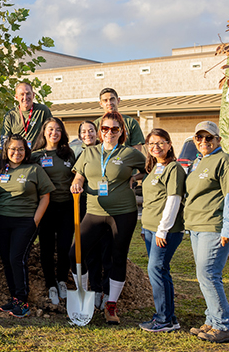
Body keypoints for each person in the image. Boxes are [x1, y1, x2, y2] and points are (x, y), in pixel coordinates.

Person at [70, 111, 146, 324]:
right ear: (100, 131)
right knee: (74, 253)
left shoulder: (130, 153)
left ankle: (110, 305)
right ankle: (85, 295)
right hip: (94, 212)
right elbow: (79, 174)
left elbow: (147, 169)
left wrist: (134, 177)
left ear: (121, 131)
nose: (109, 132)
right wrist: (77, 183)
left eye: (114, 129)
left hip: (123, 213)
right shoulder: (89, 153)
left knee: (117, 257)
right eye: (105, 129)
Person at [183, 121, 229, 343]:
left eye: (209, 138)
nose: (204, 142)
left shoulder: (225, 161)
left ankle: (223, 325)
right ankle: (212, 319)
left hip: (214, 227)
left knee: (209, 275)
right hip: (197, 227)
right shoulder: (199, 161)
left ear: (218, 140)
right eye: (199, 138)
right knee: (203, 275)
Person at [0, 134, 54, 317]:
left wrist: (35, 220)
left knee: (17, 259)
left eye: (20, 149)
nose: (16, 152)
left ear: (26, 151)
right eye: (12, 149)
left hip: (25, 221)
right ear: (6, 150)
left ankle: (23, 301)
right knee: (7, 260)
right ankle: (15, 299)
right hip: (0, 221)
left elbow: (45, 196)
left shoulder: (34, 169)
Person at [138, 128, 186, 333]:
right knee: (161, 270)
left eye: (160, 143)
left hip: (165, 230)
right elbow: (151, 200)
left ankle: (163, 319)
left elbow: (173, 200)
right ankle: (170, 317)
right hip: (150, 228)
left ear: (169, 144)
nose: (156, 147)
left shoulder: (173, 168)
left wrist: (162, 230)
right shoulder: (155, 167)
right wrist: (144, 226)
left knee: (155, 269)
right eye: (151, 144)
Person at [31, 118, 76, 306]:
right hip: (45, 208)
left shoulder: (68, 153)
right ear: (44, 132)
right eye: (50, 129)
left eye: (58, 129)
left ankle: (62, 281)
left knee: (65, 247)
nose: (54, 133)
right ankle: (50, 284)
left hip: (66, 206)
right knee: (47, 247)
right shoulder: (36, 155)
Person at [76, 119, 109, 308]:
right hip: (84, 205)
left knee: (106, 249)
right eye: (83, 131)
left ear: (97, 133)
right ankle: (95, 289)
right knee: (90, 250)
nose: (87, 134)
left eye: (91, 130)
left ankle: (107, 291)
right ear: (79, 135)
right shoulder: (78, 153)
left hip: (105, 206)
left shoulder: (106, 151)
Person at [1, 82, 53, 146]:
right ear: (16, 97)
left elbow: (52, 131)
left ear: (33, 95)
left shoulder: (42, 110)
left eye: (28, 94)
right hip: (19, 153)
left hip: (39, 153)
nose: (25, 97)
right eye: (22, 94)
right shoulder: (10, 115)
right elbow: (4, 140)